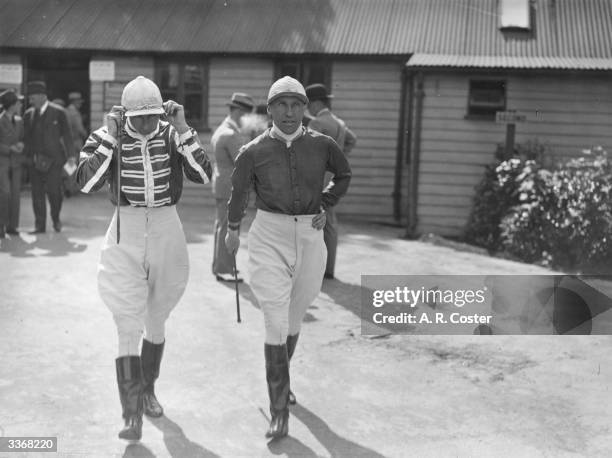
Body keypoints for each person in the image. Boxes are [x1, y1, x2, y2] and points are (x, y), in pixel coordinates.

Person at [76, 75, 212, 441]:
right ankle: (131, 414)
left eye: (154, 116)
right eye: (141, 118)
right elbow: (86, 183)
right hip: (126, 226)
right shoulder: (108, 136)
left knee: (156, 316)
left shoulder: (171, 134)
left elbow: (203, 174)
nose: (149, 124)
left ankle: (148, 390)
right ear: (125, 115)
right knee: (126, 321)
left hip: (167, 224)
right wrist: (108, 137)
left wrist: (183, 128)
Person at [225, 76, 351, 439]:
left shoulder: (323, 144)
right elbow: (238, 192)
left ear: (304, 109)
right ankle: (278, 412)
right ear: (270, 110)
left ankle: (282, 380)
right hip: (269, 236)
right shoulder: (253, 151)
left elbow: (343, 174)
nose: (290, 112)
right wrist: (233, 230)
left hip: (311, 235)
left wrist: (325, 202)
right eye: (282, 105)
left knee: (295, 318)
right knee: (275, 322)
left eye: (296, 104)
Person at [305, 83, 357, 280]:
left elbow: (306, 152)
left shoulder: (317, 124)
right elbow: (353, 140)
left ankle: (317, 269)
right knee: (330, 222)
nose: (308, 109)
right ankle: (328, 269)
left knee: (313, 221)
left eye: (309, 104)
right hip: (335, 178)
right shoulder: (339, 123)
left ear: (317, 103)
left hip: (317, 179)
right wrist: (339, 158)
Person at [211, 92, 254, 282]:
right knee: (230, 229)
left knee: (223, 226)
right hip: (230, 187)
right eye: (246, 113)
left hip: (222, 183)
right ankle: (225, 270)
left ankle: (221, 266)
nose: (248, 118)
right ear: (238, 111)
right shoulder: (231, 134)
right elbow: (243, 162)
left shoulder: (224, 128)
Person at [23, 81, 74, 233]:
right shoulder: (28, 114)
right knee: (37, 195)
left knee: (55, 193)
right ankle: (39, 225)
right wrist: (26, 157)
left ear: (42, 96)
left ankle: (56, 219)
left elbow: (67, 135)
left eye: (32, 98)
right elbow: (26, 138)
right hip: (35, 161)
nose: (30, 101)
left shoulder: (59, 112)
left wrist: (71, 156)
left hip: (55, 162)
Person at [0, 89, 25, 238]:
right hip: (2, 164)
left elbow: (22, 138)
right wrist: (10, 148)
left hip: (16, 164)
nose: (21, 104)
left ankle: (12, 226)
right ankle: (1, 226)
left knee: (15, 195)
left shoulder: (19, 121)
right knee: (4, 194)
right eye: (18, 102)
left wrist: (21, 144)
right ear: (12, 105)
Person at [64, 91, 88, 196]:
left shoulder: (65, 111)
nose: (80, 104)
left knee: (70, 165)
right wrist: (87, 135)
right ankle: (71, 188)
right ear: (75, 102)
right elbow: (80, 129)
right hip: (76, 142)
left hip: (67, 142)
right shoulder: (75, 113)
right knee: (76, 166)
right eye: (79, 102)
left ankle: (68, 186)